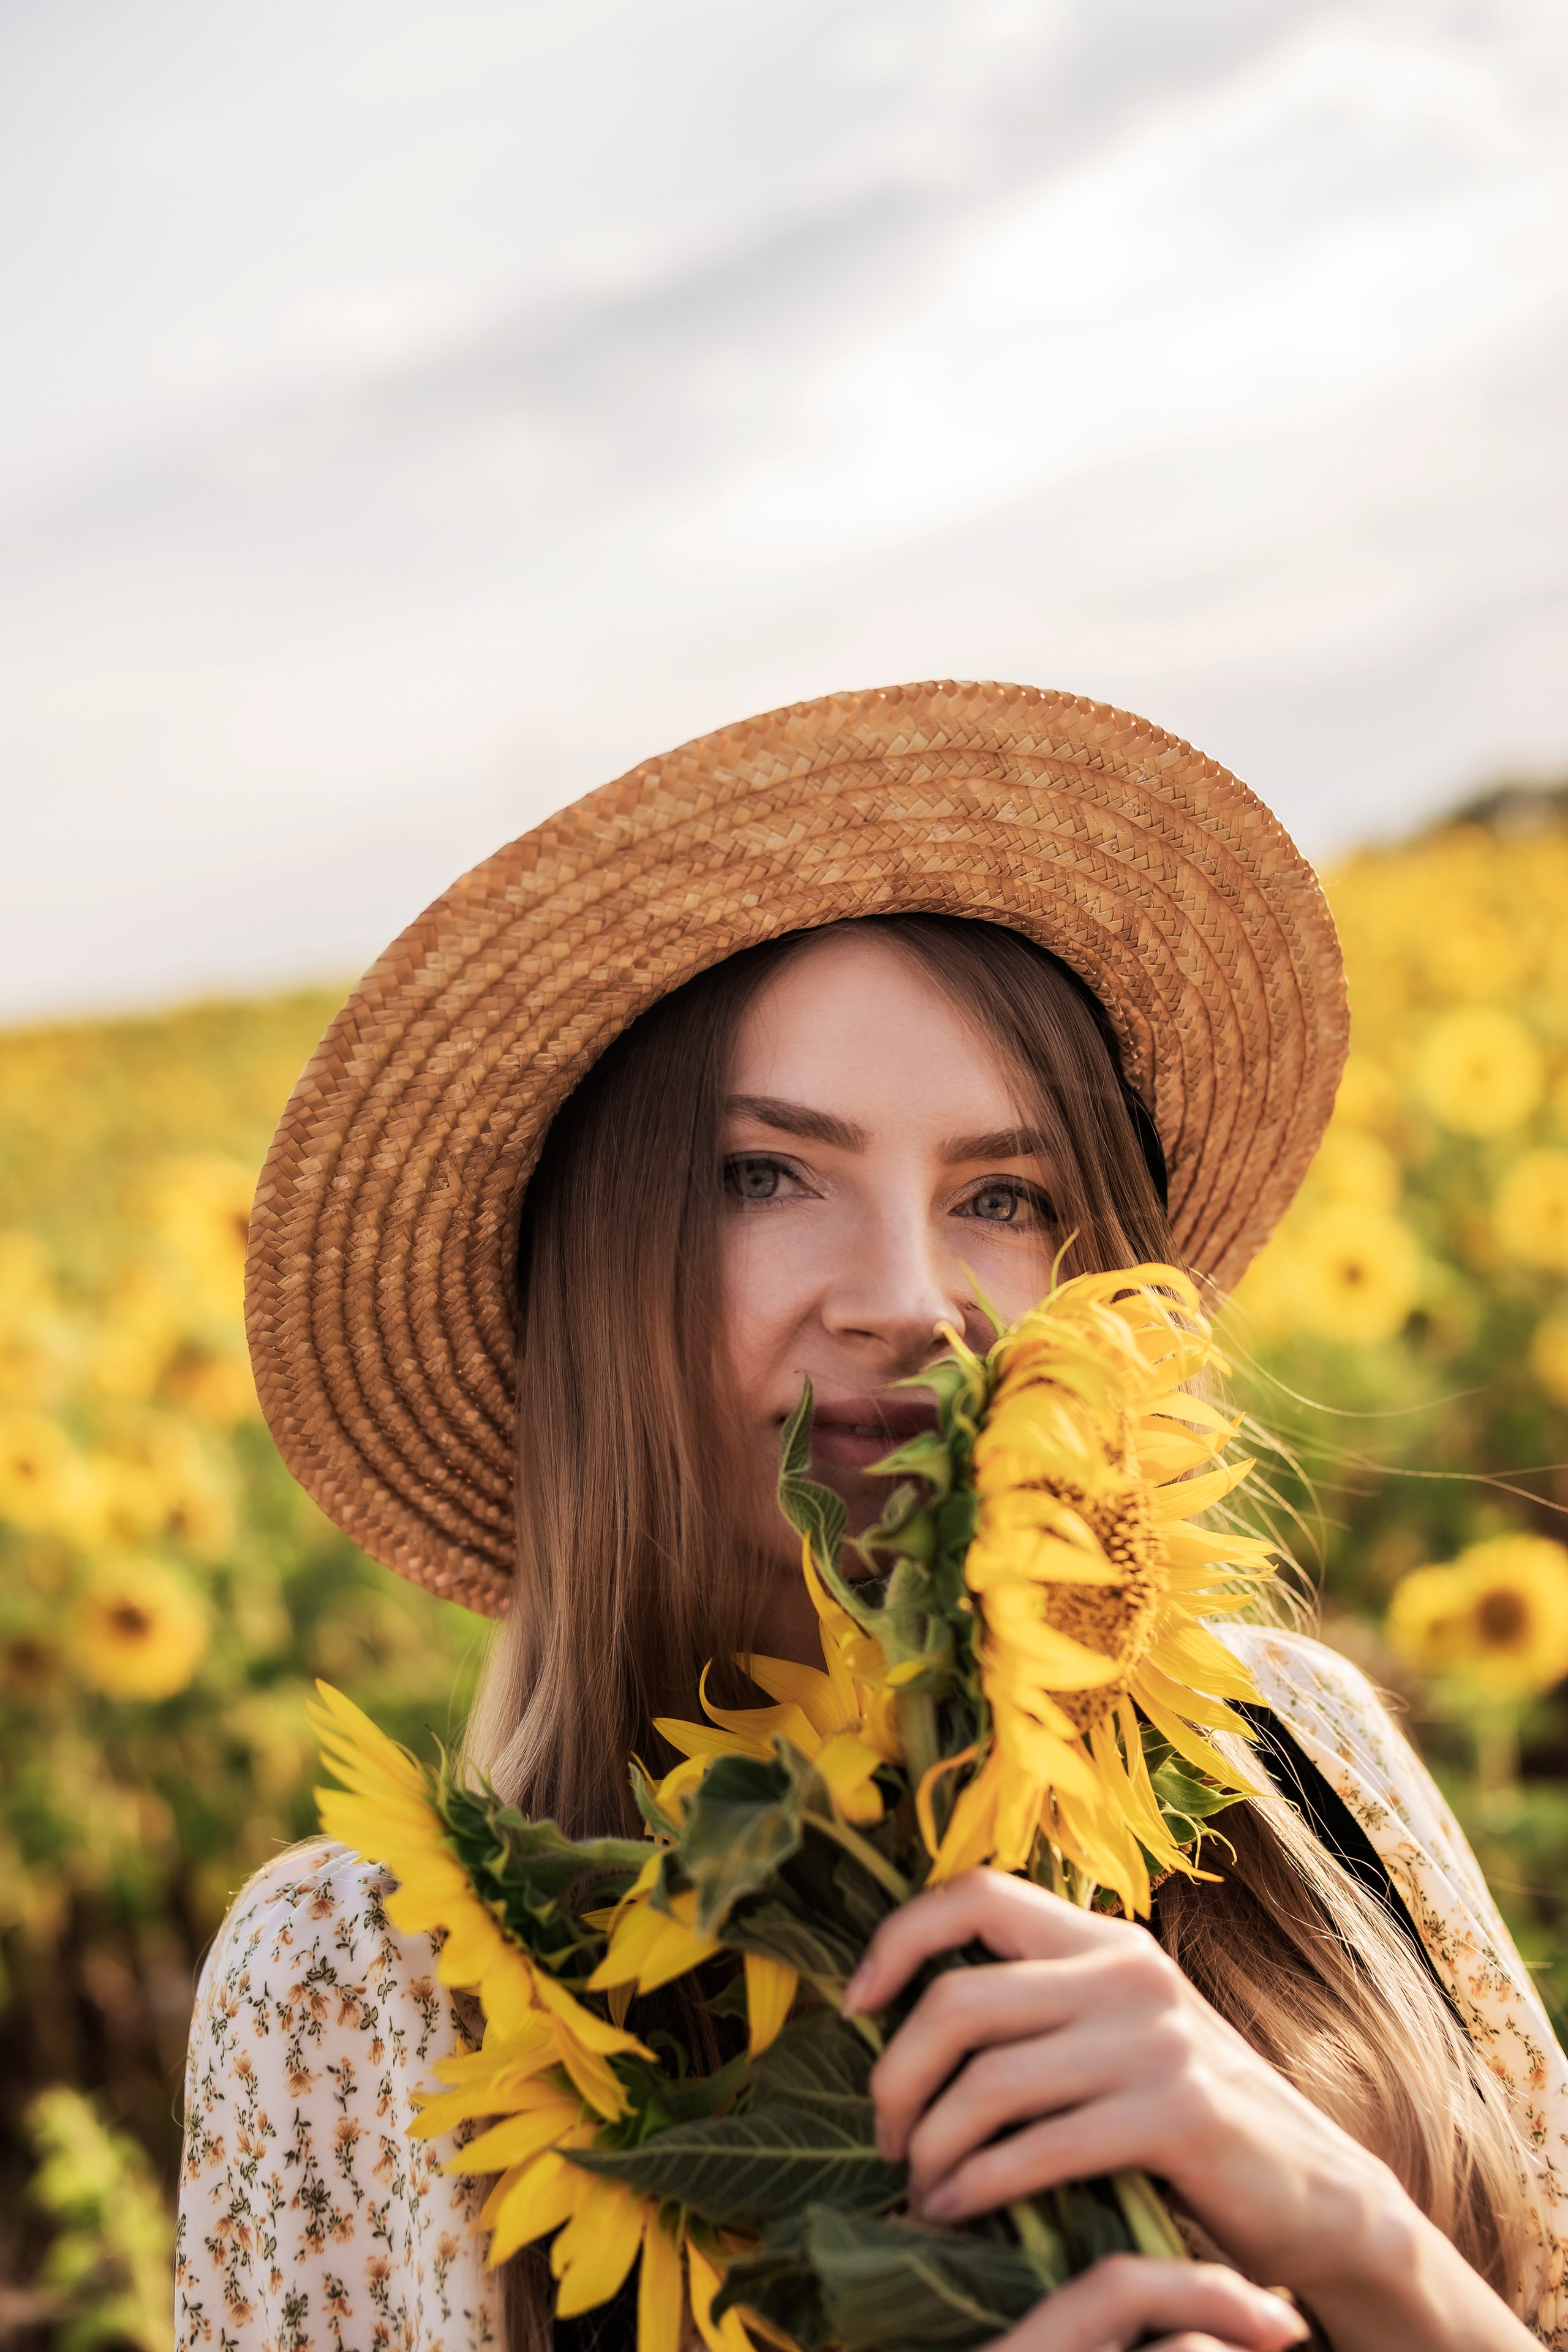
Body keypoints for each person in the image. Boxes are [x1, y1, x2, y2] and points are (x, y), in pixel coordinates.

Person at [177, 684, 1567, 2352]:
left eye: (1002, 1194)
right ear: (593, 1266)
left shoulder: (1297, 1762)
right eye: (766, 1174)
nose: (909, 1300)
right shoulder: (357, 1982)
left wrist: (1376, 2253)